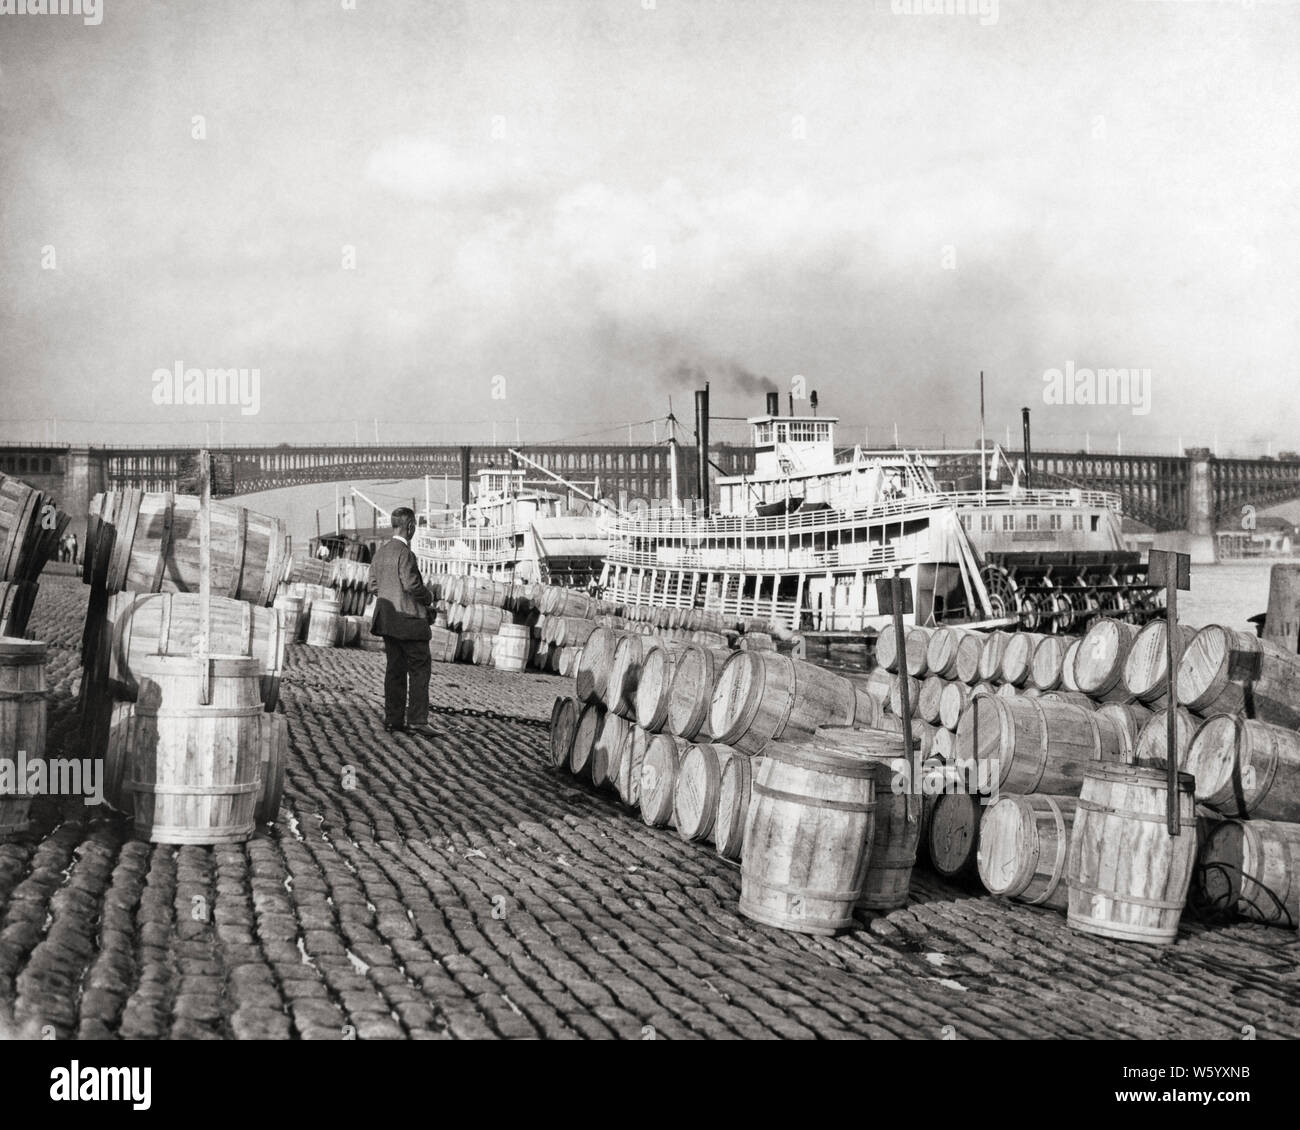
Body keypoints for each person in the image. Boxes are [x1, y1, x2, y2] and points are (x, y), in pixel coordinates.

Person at [366, 508, 436, 736]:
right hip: (409, 622)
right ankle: (417, 719)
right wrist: (429, 598)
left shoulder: (381, 553)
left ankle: (393, 720)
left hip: (387, 622)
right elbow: (412, 586)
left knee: (394, 671)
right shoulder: (405, 553)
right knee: (419, 668)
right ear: (411, 527)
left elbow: (373, 586)